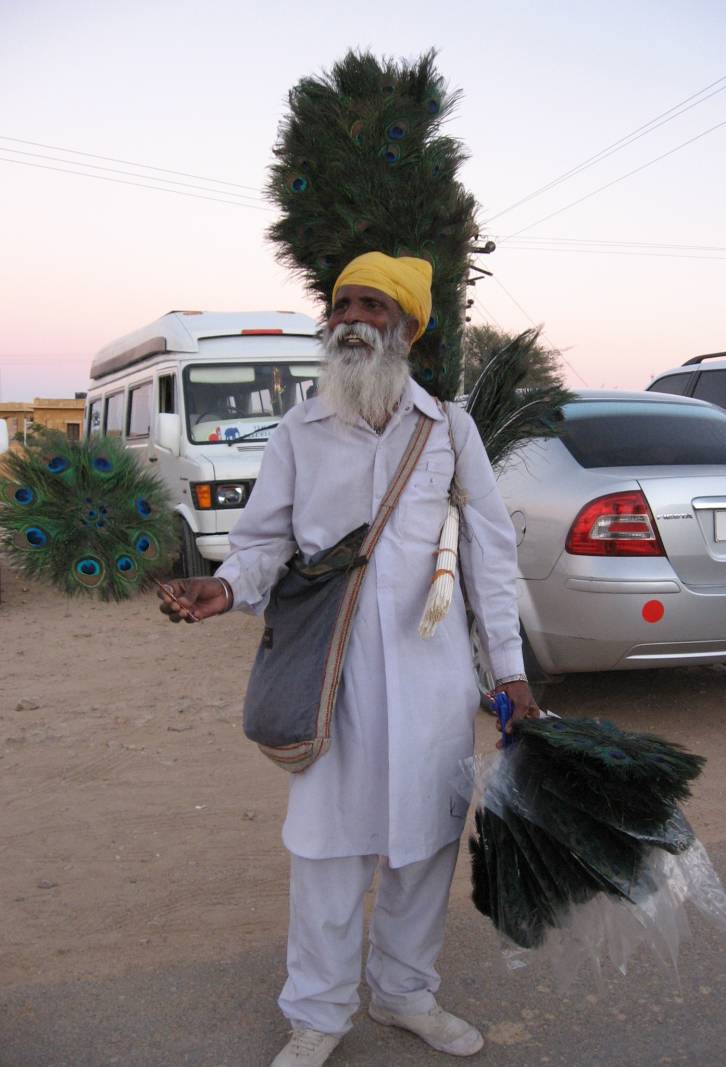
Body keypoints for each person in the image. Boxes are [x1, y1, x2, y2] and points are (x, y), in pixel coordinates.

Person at [158, 251, 538, 1067]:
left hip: (434, 680)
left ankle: (405, 993)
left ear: (405, 328)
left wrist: (508, 670)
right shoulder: (300, 428)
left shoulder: (449, 429)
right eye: (343, 305)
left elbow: (490, 559)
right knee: (328, 850)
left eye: (372, 306)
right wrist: (225, 589)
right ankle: (318, 1015)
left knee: (424, 847)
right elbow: (262, 542)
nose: (352, 319)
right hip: (329, 676)